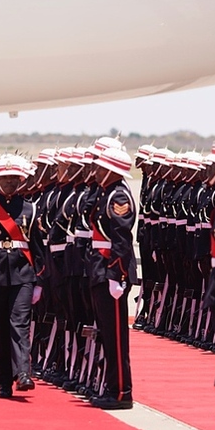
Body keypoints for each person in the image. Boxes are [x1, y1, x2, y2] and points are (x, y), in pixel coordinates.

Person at [0, 156, 47, 398]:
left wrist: (39, 280)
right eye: (5, 179)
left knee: (20, 324)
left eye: (14, 179)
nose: (10, 183)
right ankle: (3, 379)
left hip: (22, 273)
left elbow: (38, 247)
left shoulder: (30, 208)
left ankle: (23, 373)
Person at [87, 147, 139, 410]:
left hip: (111, 271)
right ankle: (112, 386)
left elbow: (121, 239)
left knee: (116, 337)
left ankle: (121, 392)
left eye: (99, 167)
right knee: (107, 335)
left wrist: (115, 274)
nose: (94, 171)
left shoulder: (118, 196)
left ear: (110, 170)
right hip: (100, 268)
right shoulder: (105, 193)